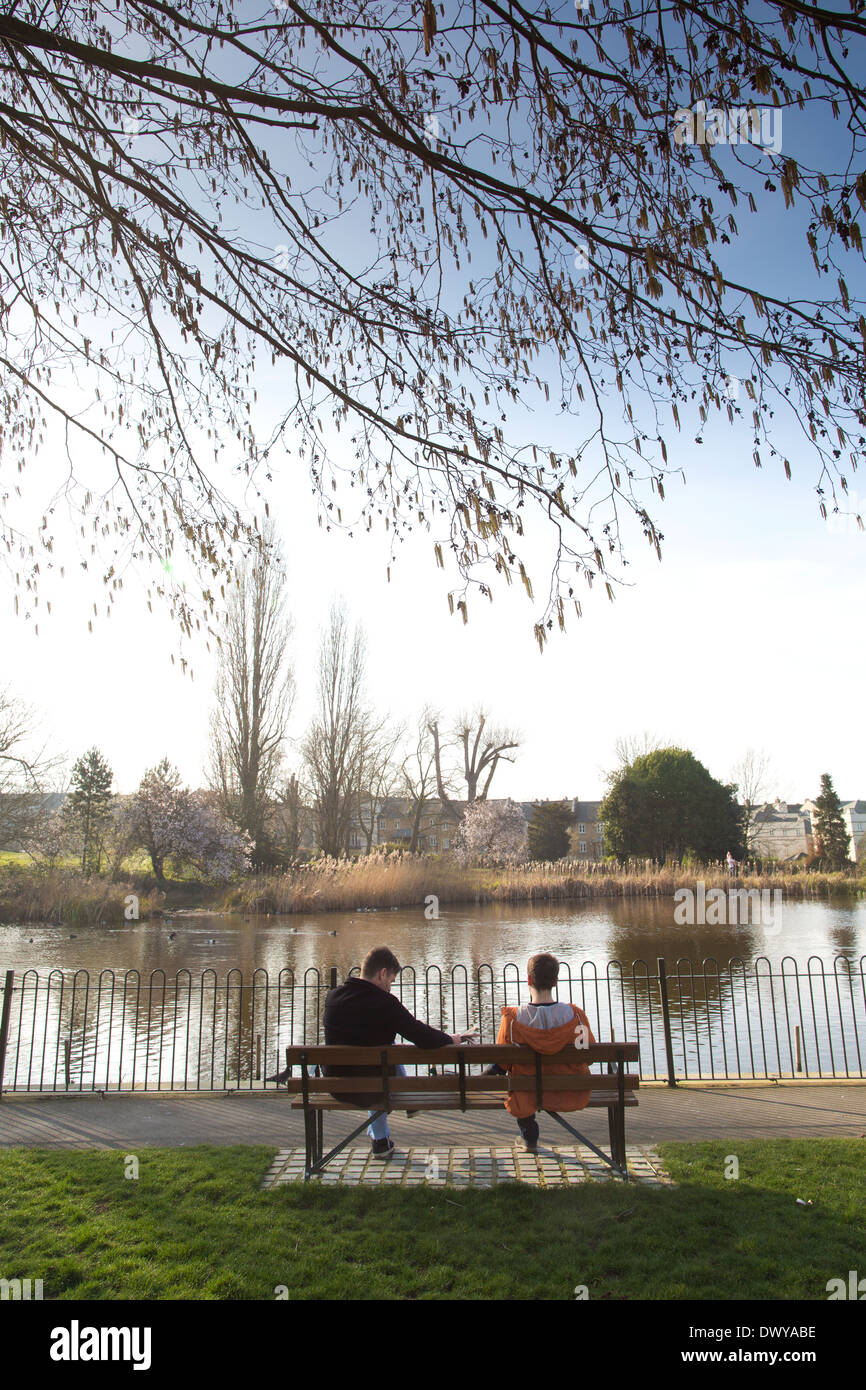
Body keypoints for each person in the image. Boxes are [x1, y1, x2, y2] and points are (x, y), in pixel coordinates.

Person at [323, 946, 477, 1158]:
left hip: (336, 1086)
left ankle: (381, 1140)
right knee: (383, 1062)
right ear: (383, 973)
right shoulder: (385, 1003)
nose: (389, 988)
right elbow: (422, 1036)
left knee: (381, 1058)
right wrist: (453, 1039)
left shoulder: (333, 998)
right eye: (391, 982)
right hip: (375, 1089)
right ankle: (405, 1107)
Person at [491, 952, 595, 1152]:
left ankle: (529, 1136)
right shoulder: (575, 1016)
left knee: (518, 1079)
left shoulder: (512, 1019)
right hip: (569, 1091)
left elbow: (502, 1063)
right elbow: (588, 1055)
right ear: (556, 982)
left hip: (527, 1094)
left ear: (528, 980)